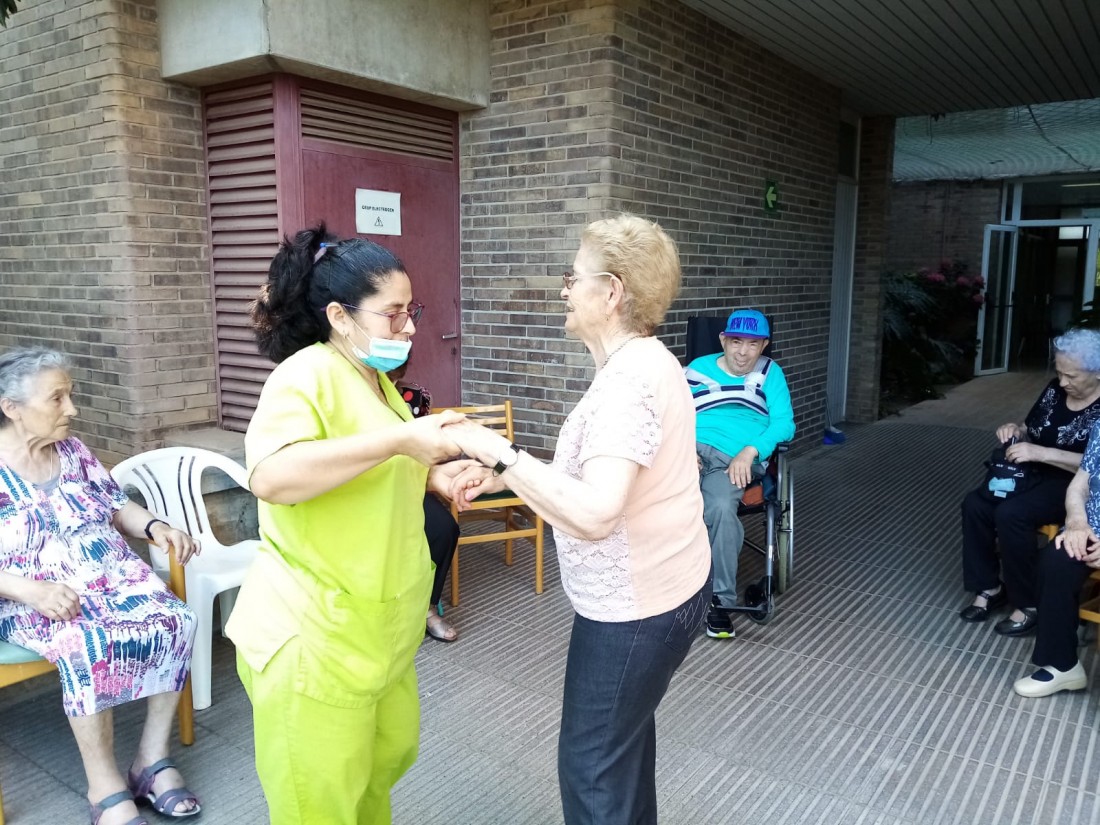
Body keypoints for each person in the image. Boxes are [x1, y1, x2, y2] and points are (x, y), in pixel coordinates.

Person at [444, 215, 711, 825]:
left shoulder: (627, 385)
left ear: (611, 292)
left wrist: (496, 450)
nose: (564, 289)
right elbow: (604, 480)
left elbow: (595, 514)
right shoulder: (649, 361)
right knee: (621, 750)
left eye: (573, 277)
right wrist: (508, 476)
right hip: (669, 592)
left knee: (591, 768)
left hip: (636, 613)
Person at [224, 225, 470, 825]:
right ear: (339, 316)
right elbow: (273, 477)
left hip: (377, 633)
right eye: (392, 313)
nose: (408, 328)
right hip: (313, 638)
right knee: (320, 805)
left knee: (375, 778)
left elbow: (366, 464)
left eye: (411, 311)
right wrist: (402, 441)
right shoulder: (302, 376)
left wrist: (432, 476)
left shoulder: (374, 379)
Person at [0, 347, 201, 825]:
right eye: (57, 398)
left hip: (110, 578)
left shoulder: (73, 451)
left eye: (69, 395)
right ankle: (104, 786)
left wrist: (155, 526)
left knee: (176, 619)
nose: (71, 408)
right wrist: (29, 590)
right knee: (85, 644)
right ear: (12, 408)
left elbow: (115, 505)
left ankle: (151, 761)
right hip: (31, 596)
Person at [959, 328, 1100, 635]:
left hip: (1074, 485)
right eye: (1059, 372)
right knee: (975, 504)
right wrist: (1016, 430)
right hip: (1031, 472)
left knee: (1012, 513)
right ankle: (990, 587)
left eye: (1072, 376)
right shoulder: (1055, 390)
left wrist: (1043, 453)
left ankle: (1029, 604)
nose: (1063, 382)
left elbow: (1095, 464)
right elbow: (1030, 427)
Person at [684, 308, 795, 639]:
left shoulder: (770, 373)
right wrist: (682, 449)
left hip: (734, 460)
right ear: (723, 340)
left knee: (719, 506)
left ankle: (719, 600)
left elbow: (784, 424)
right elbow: (669, 414)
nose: (743, 352)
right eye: (736, 342)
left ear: (764, 346)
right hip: (688, 453)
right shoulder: (695, 370)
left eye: (752, 344)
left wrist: (751, 451)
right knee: (654, 498)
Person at [1012, 423, 1100, 697]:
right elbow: (1079, 485)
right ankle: (1063, 666)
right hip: (1090, 527)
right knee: (1055, 563)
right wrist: (1076, 522)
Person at [389, 362, 460, 642]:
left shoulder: (415, 397)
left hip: (412, 482)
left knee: (444, 528)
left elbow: (427, 451)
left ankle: (427, 607)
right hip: (366, 487)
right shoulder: (351, 397)